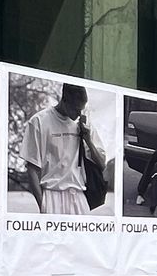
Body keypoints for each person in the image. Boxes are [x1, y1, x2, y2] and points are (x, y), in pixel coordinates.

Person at [20, 83, 100, 216]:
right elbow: (32, 169)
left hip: (79, 196)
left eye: (81, 109)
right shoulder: (39, 121)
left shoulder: (82, 124)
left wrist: (87, 139)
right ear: (65, 100)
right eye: (75, 109)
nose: (79, 114)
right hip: (52, 195)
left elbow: (100, 163)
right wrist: (43, 205)